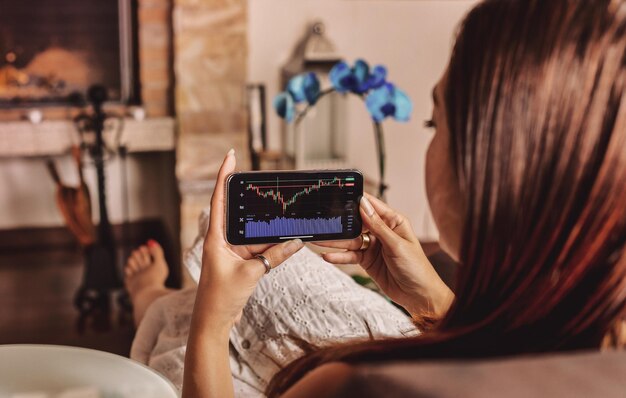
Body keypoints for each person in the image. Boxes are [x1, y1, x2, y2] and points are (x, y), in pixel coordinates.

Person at [177, 0, 626, 397]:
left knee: (190, 288)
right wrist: (430, 299)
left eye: (435, 122)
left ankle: (152, 298)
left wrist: (211, 327)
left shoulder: (358, 386)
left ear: (489, 167)